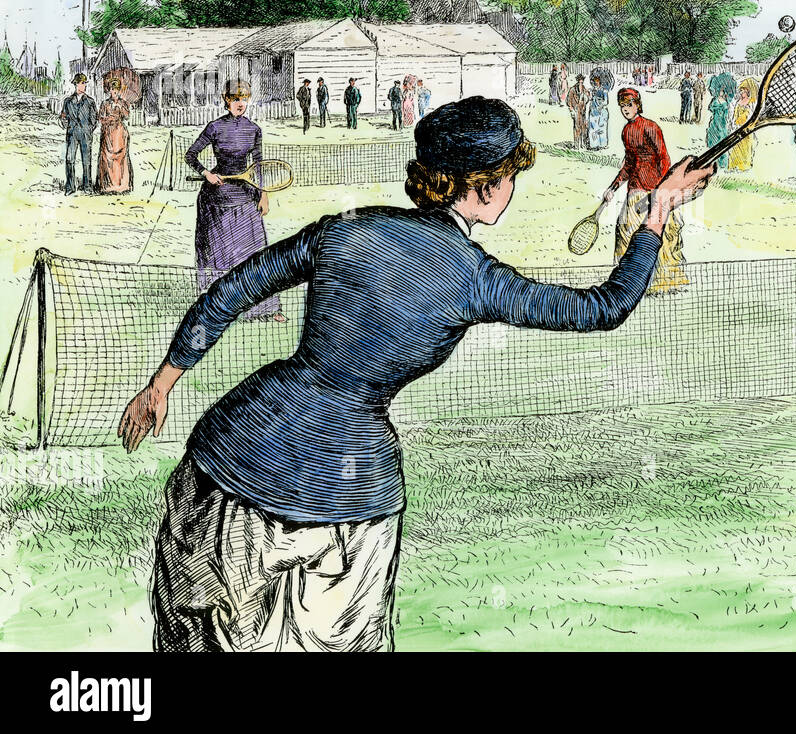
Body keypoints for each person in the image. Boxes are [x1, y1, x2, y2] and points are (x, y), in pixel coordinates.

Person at [120, 94, 714, 652]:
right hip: (352, 493)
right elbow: (603, 308)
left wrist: (160, 387)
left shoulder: (345, 228)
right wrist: (658, 209)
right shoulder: (476, 277)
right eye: (509, 179)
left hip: (228, 456)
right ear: (483, 189)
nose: (510, 190)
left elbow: (233, 290)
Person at [184, 80, 286, 324]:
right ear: (226, 100)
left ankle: (265, 308)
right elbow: (190, 155)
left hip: (246, 199)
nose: (240, 103)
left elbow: (259, 165)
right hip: (216, 201)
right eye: (235, 98)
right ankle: (217, 309)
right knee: (218, 254)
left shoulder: (254, 130)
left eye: (244, 98)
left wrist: (264, 194)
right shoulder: (215, 127)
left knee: (252, 253)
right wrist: (207, 173)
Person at [602, 88, 693, 294]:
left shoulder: (651, 127)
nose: (626, 110)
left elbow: (664, 159)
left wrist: (660, 190)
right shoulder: (626, 131)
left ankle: (665, 280)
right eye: (622, 106)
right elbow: (628, 164)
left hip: (655, 189)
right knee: (625, 231)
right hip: (635, 188)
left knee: (665, 235)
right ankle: (630, 284)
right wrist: (613, 187)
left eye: (629, 105)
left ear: (638, 105)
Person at [59, 72, 98, 195]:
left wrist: (88, 129)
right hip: (72, 134)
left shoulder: (90, 101)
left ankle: (87, 186)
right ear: (75, 85)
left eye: (84, 83)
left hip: (86, 134)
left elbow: (94, 119)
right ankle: (70, 187)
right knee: (70, 159)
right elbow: (63, 116)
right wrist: (65, 123)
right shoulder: (68, 101)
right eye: (81, 83)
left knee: (86, 161)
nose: (83, 86)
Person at [96, 74, 133, 194]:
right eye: (112, 89)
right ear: (109, 90)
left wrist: (120, 108)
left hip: (119, 133)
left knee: (120, 158)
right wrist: (108, 119)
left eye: (116, 90)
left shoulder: (123, 103)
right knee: (107, 159)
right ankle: (107, 186)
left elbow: (127, 116)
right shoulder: (105, 104)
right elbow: (100, 119)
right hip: (108, 133)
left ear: (119, 91)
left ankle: (121, 185)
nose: (114, 92)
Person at [729, 78, 758, 172]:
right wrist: (734, 123)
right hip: (737, 128)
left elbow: (748, 115)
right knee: (736, 146)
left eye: (743, 91)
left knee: (745, 148)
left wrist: (740, 122)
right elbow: (734, 114)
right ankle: (734, 165)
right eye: (741, 91)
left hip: (745, 129)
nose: (741, 93)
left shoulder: (750, 102)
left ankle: (744, 166)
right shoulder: (738, 102)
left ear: (748, 92)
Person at [706, 80, 732, 169]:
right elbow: (710, 107)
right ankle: (713, 161)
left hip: (722, 122)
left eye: (722, 91)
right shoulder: (715, 100)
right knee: (713, 140)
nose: (721, 93)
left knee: (722, 139)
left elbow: (727, 112)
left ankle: (722, 162)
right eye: (720, 91)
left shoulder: (726, 101)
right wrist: (717, 108)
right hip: (715, 121)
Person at [586, 80, 609, 151]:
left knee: (602, 128)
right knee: (593, 128)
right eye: (595, 81)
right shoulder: (592, 90)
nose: (596, 82)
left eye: (597, 80)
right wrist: (589, 95)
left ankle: (602, 144)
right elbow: (590, 99)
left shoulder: (604, 90)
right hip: (593, 111)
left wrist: (600, 105)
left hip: (601, 112)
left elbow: (606, 101)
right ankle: (594, 144)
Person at [568, 73, 588, 148]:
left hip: (583, 109)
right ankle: (576, 144)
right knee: (577, 127)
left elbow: (588, 97)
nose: (581, 83)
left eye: (582, 82)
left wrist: (586, 97)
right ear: (577, 81)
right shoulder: (572, 89)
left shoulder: (583, 88)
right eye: (580, 81)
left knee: (583, 127)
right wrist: (571, 110)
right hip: (576, 110)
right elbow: (569, 101)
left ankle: (583, 143)